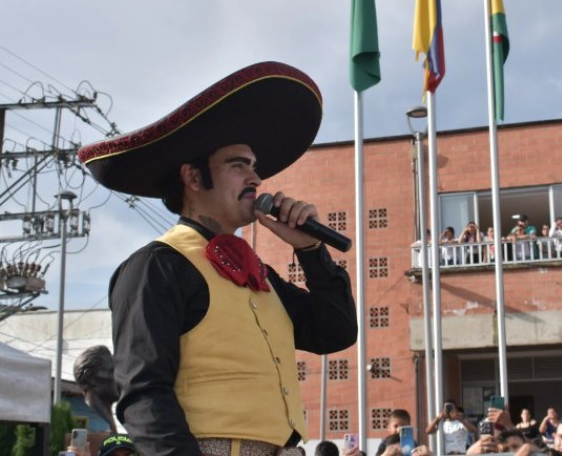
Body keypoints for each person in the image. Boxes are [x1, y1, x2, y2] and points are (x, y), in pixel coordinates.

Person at [77, 62, 358, 456]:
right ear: (193, 178)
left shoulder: (260, 274)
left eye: (254, 167)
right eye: (238, 164)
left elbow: (336, 332)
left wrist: (310, 250)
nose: (256, 179)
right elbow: (143, 396)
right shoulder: (156, 267)